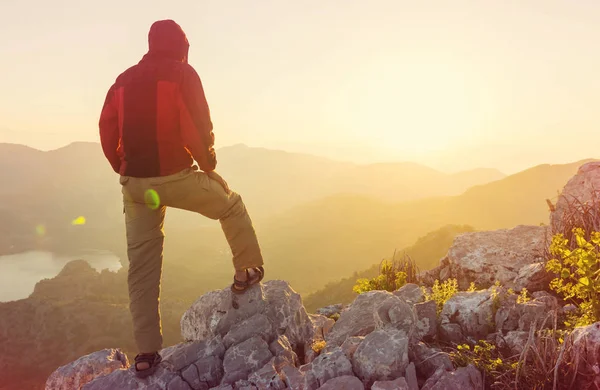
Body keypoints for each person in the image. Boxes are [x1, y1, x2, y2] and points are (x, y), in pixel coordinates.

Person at [98, 19, 265, 378]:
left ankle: (145, 353)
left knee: (142, 268)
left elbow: (107, 128)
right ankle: (247, 270)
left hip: (135, 187)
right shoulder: (183, 74)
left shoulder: (122, 80)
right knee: (231, 205)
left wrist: (122, 168)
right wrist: (209, 166)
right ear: (182, 46)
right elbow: (197, 124)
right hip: (175, 176)